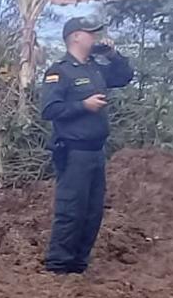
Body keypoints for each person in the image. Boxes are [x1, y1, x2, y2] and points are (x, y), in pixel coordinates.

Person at [39, 17, 134, 276]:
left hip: (96, 151)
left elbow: (124, 76)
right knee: (71, 209)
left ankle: (78, 266)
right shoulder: (60, 72)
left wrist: (114, 55)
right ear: (76, 37)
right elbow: (49, 109)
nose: (96, 37)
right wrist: (84, 105)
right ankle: (58, 267)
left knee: (92, 212)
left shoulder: (94, 68)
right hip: (73, 152)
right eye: (90, 33)